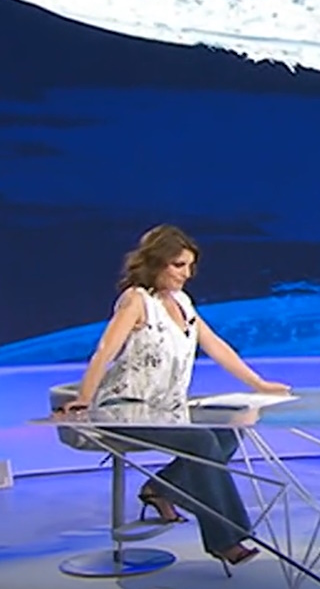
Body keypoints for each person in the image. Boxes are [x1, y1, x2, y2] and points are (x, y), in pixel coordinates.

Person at [57, 225, 291, 570]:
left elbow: (216, 346)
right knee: (201, 442)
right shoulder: (137, 300)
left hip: (166, 410)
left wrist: (259, 384)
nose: (187, 274)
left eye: (190, 266)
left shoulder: (183, 302)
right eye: (178, 265)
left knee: (228, 434)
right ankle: (226, 538)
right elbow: (105, 350)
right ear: (157, 262)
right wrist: (85, 397)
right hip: (124, 409)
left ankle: (161, 489)